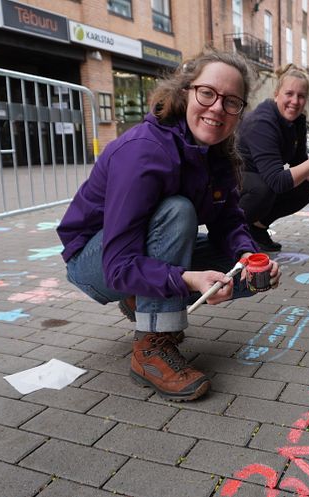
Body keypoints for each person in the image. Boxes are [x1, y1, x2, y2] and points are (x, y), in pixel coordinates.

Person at [57, 50, 280, 402]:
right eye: (207, 93)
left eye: (232, 101)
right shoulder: (144, 151)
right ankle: (150, 350)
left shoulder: (218, 151)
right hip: (95, 263)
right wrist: (187, 279)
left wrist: (250, 256)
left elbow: (228, 220)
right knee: (178, 211)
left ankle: (143, 300)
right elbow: (117, 265)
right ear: (185, 92)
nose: (218, 108)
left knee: (245, 272)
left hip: (133, 255)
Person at [237, 64, 309, 252]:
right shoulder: (262, 122)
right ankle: (231, 234)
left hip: (260, 178)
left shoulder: (297, 122)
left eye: (301, 96)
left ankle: (257, 228)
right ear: (277, 94)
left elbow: (299, 162)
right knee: (264, 188)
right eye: (289, 94)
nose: (295, 101)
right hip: (234, 180)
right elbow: (277, 181)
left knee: (307, 188)